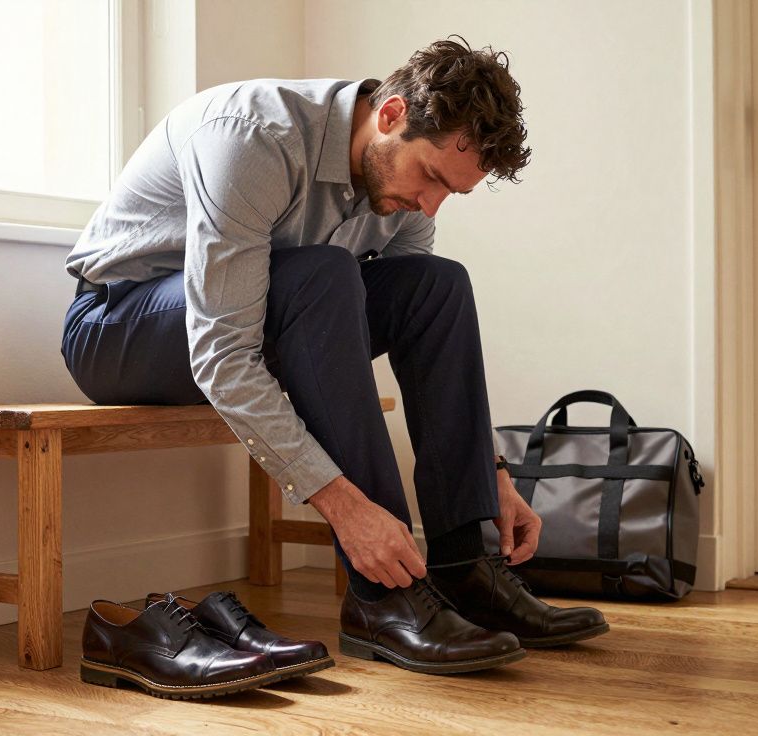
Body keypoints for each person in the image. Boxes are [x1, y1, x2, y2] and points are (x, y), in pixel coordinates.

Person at [61, 36, 607, 676]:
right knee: (323, 273)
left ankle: (467, 568)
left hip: (257, 319)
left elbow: (419, 325)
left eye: (450, 194)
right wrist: (346, 508)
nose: (430, 206)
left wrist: (492, 474)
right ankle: (386, 595)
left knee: (438, 285)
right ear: (392, 114)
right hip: (117, 327)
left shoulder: (400, 193)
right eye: (431, 177)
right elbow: (221, 353)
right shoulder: (252, 137)